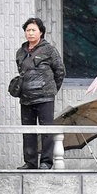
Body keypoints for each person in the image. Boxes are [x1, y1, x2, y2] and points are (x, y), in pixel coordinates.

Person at [15, 17, 64, 170]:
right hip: (26, 97)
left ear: (41, 32)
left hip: (45, 97)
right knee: (27, 130)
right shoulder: (20, 52)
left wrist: (51, 89)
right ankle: (30, 162)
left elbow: (60, 71)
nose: (30, 33)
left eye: (33, 30)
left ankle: (46, 162)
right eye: (27, 30)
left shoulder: (49, 50)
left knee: (46, 129)